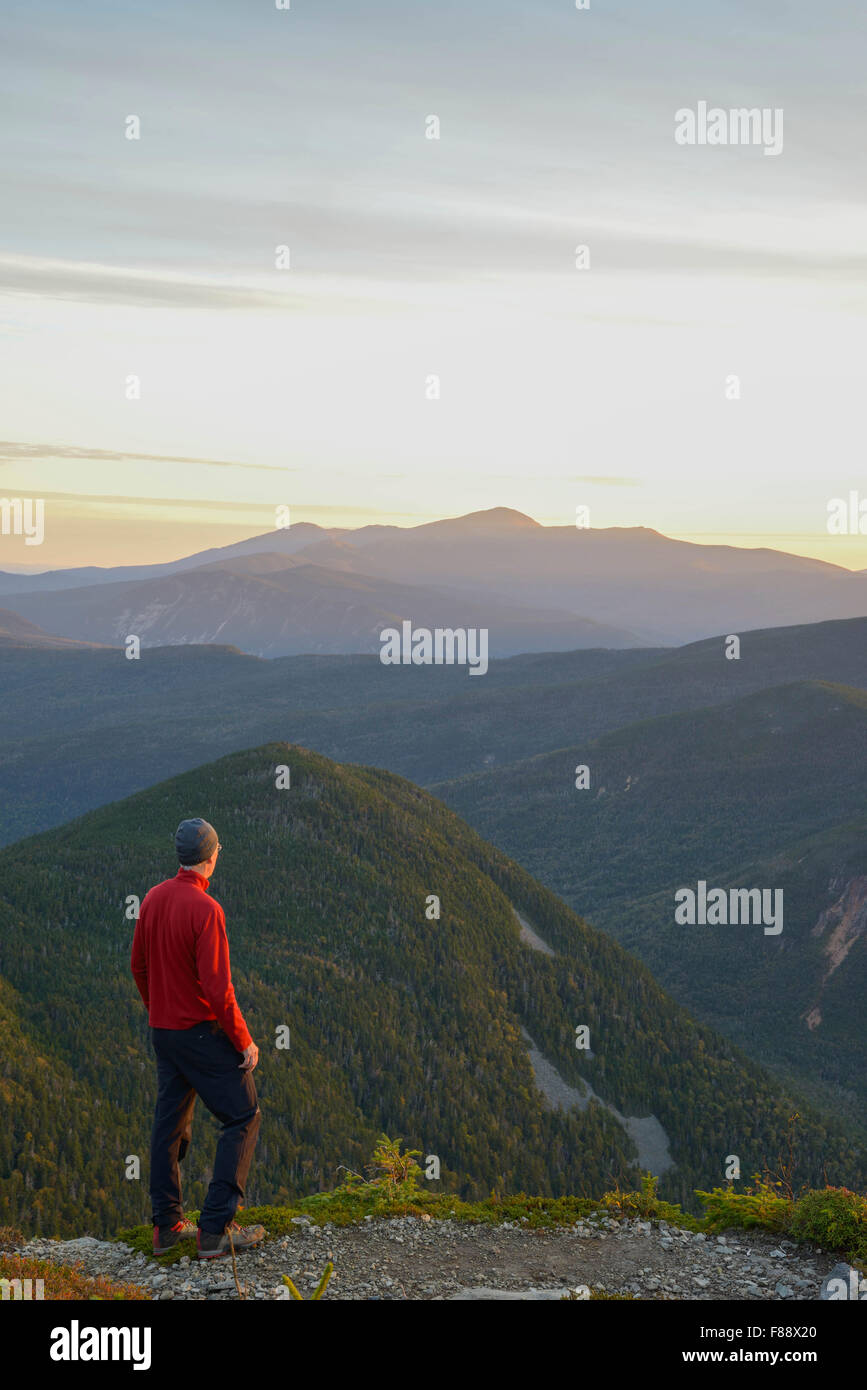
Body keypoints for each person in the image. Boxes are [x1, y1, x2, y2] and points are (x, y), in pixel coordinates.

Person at [131, 817, 265, 1260]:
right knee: (242, 1115)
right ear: (211, 857)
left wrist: (157, 1010)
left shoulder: (152, 899)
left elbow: (139, 966)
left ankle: (166, 1227)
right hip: (201, 1034)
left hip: (163, 1033)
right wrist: (243, 1041)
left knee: (169, 1123)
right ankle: (215, 1229)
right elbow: (217, 989)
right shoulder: (206, 910)